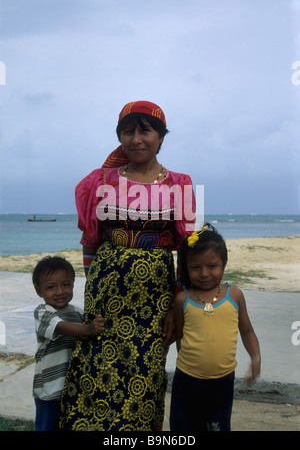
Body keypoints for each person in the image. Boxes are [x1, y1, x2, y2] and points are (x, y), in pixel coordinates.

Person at [59, 100, 195, 431]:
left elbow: (187, 250)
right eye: (127, 131)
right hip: (106, 296)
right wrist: (93, 293)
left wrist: (176, 306)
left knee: (145, 375)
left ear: (161, 137)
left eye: (145, 130)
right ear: (119, 136)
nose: (136, 139)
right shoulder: (98, 181)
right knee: (95, 370)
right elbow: (90, 242)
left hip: (154, 302)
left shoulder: (181, 184)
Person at [169, 224, 261, 432]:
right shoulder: (182, 299)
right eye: (195, 267)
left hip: (222, 382)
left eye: (212, 266)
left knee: (217, 426)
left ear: (224, 264)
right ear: (186, 267)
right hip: (186, 381)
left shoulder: (234, 296)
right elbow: (181, 338)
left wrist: (255, 358)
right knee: (184, 428)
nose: (204, 273)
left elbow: (247, 331)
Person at [32, 255, 104, 431]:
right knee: (47, 427)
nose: (59, 291)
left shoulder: (78, 313)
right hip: (49, 389)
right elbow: (62, 327)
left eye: (65, 285)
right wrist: (89, 329)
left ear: (73, 284)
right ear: (38, 291)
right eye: (51, 287)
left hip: (72, 388)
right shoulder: (42, 312)